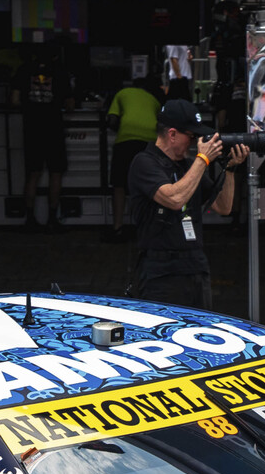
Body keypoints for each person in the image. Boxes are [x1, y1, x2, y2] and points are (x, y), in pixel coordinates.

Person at [127, 97, 247, 308]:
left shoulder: (189, 165)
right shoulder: (144, 162)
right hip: (161, 268)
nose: (194, 143)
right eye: (191, 136)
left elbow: (224, 207)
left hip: (194, 264)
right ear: (172, 134)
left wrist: (229, 168)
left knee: (200, 326)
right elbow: (174, 199)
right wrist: (203, 159)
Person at [15, 42, 72, 230]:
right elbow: (70, 104)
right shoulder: (60, 72)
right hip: (53, 128)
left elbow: (14, 100)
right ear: (55, 56)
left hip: (32, 128)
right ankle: (52, 220)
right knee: (55, 173)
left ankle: (30, 220)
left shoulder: (23, 70)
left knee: (33, 174)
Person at [104, 77, 159, 241]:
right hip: (150, 142)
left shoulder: (122, 93)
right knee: (148, 186)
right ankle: (147, 229)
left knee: (119, 185)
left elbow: (112, 119)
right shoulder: (154, 100)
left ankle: (117, 228)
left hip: (126, 139)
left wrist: (120, 127)